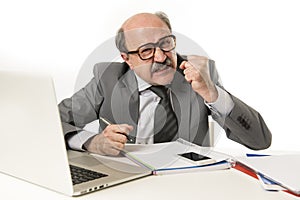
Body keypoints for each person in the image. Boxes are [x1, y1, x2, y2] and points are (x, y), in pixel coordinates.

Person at [59, 11, 272, 156]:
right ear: (127, 59)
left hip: (187, 186)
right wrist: (91, 142)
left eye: (166, 43)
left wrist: (213, 94)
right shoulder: (108, 78)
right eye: (146, 51)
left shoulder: (198, 75)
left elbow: (260, 141)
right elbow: (53, 122)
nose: (161, 57)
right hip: (122, 184)